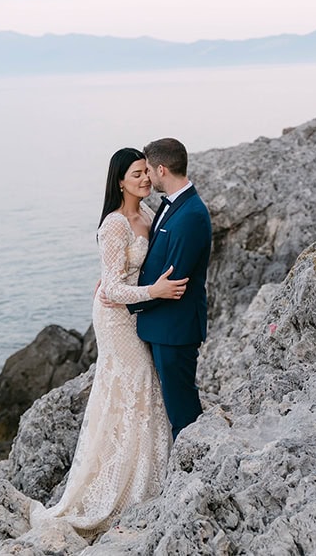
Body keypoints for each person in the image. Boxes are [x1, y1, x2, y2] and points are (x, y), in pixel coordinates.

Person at [31, 147, 187, 537]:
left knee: (143, 385)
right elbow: (114, 289)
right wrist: (155, 291)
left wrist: (150, 289)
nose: (144, 180)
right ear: (119, 181)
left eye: (145, 173)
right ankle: (117, 484)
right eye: (136, 175)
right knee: (132, 385)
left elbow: (136, 269)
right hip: (116, 317)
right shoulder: (114, 226)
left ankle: (144, 470)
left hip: (138, 311)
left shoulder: (148, 215)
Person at [127, 137, 212, 440]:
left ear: (161, 169)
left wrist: (130, 301)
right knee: (172, 406)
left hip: (175, 330)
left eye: (148, 170)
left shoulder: (190, 216)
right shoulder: (171, 207)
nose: (146, 176)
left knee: (182, 412)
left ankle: (193, 470)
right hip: (163, 327)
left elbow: (172, 280)